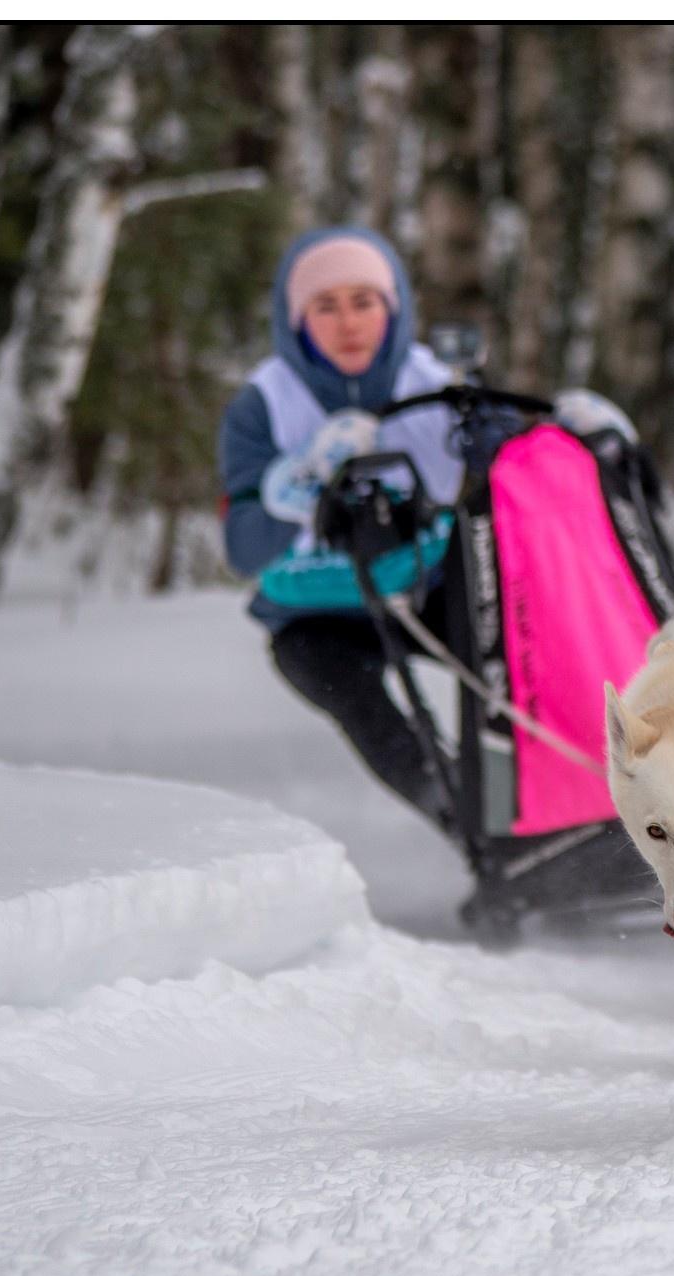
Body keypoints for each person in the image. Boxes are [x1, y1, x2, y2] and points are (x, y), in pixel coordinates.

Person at [218, 227, 468, 836]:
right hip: (315, 613)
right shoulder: (264, 403)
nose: (348, 322)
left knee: (513, 649)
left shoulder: (435, 386)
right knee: (359, 702)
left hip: (424, 586)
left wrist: (565, 432)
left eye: (365, 301)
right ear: (296, 320)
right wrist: (301, 480)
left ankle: (570, 801)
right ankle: (458, 815)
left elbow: (510, 472)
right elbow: (242, 547)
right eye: (324, 306)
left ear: (394, 307)